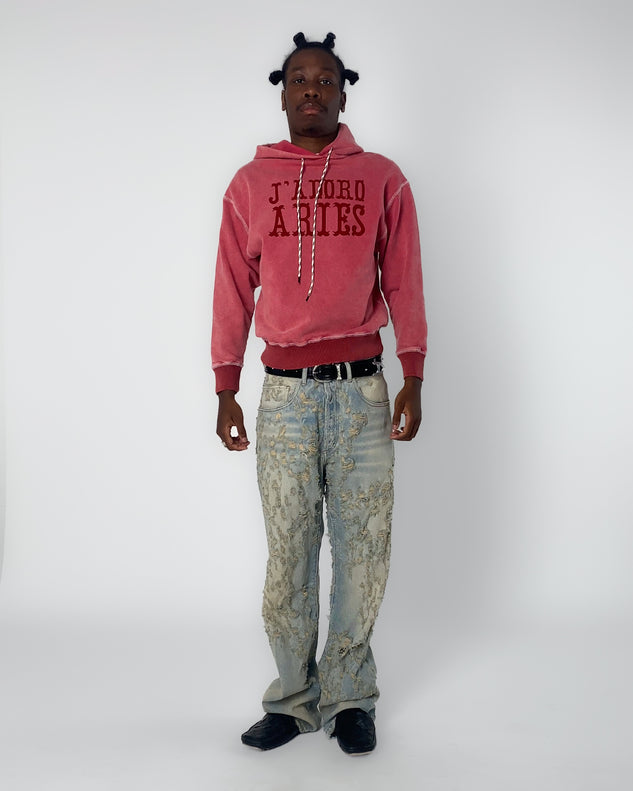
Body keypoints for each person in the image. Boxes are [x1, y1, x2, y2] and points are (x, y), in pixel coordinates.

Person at [211, 32, 427, 756]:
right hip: (284, 399)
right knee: (289, 554)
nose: (311, 88)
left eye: (325, 79)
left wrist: (414, 371)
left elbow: (403, 278)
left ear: (342, 93)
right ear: (282, 94)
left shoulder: (382, 178)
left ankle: (350, 696)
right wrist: (225, 385)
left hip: (361, 392)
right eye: (299, 79)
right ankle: (293, 698)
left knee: (363, 550)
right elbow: (231, 287)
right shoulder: (250, 183)